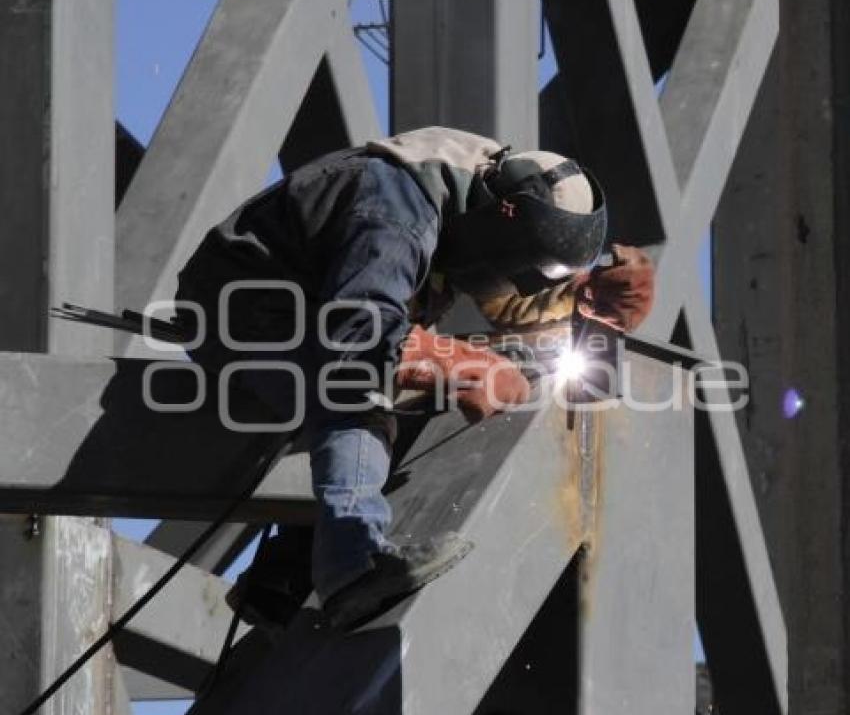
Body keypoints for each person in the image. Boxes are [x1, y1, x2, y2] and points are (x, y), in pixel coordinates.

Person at [174, 127, 654, 628]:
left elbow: (504, 300)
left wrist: (586, 303)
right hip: (243, 315)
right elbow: (358, 338)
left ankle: (278, 581)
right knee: (360, 393)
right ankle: (353, 566)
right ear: (504, 219)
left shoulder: (468, 209)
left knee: (411, 406)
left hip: (305, 321)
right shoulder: (397, 211)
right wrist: (456, 362)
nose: (513, 284)